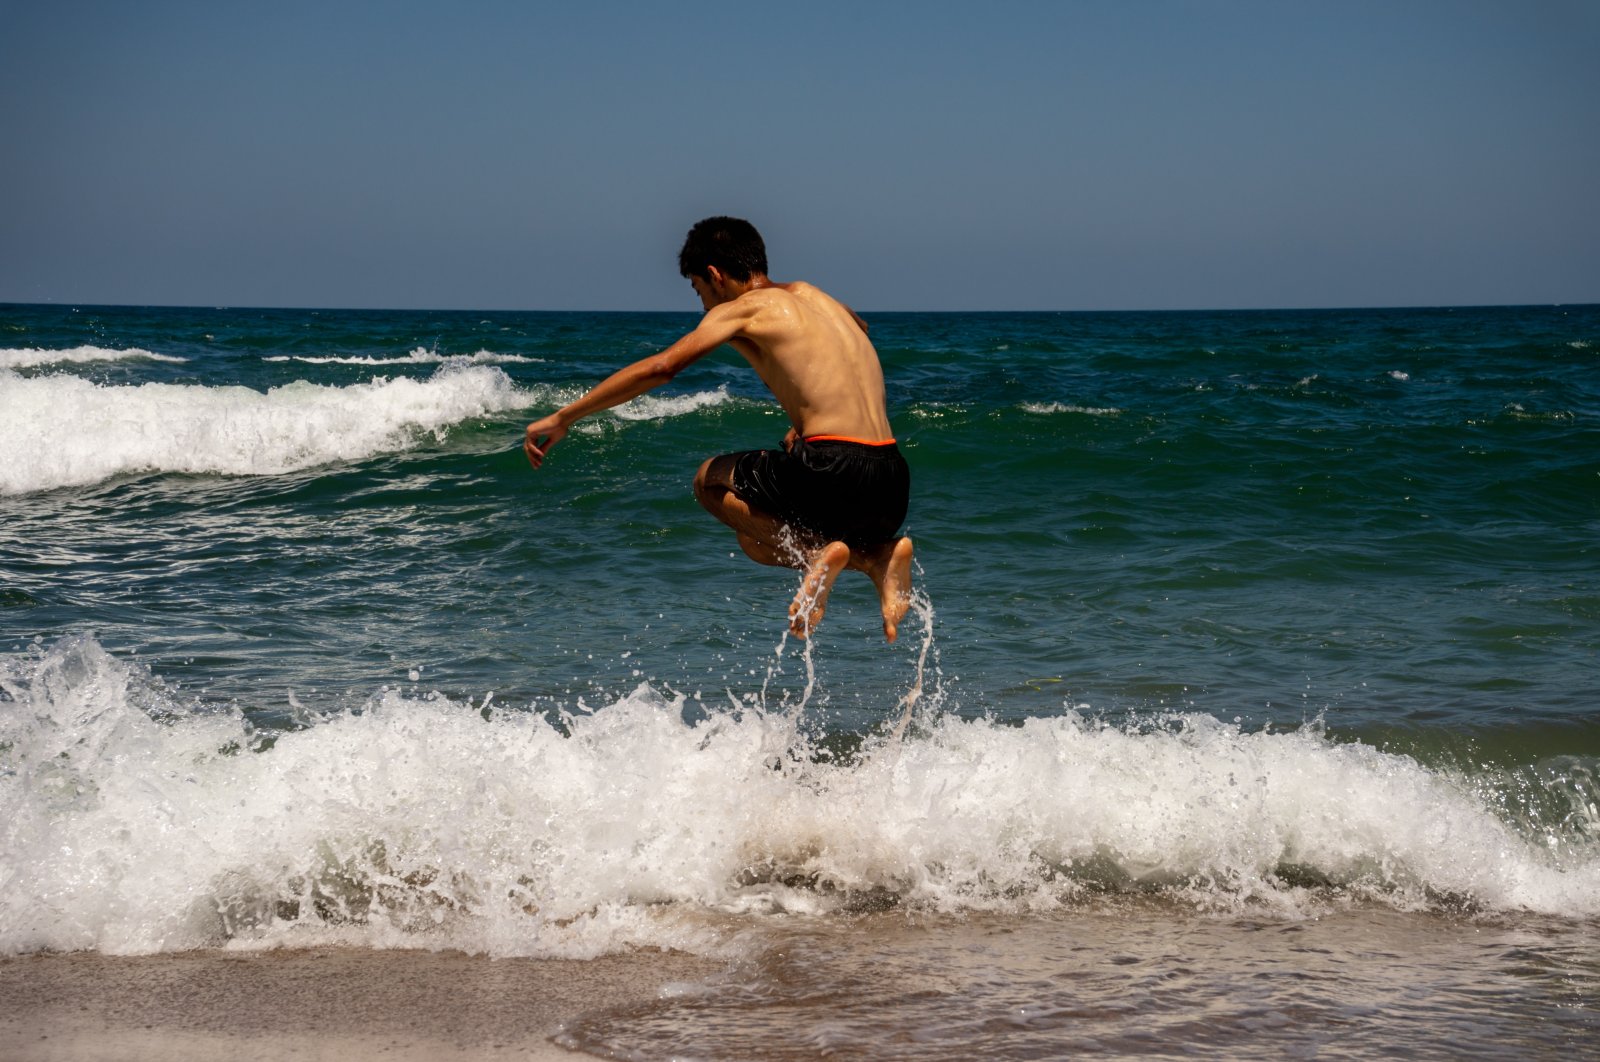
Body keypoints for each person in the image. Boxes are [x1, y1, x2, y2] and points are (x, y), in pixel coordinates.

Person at [524, 216, 914, 641]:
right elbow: (859, 331)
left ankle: (820, 555)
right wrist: (802, 426)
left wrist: (564, 416)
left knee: (708, 482)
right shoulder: (817, 297)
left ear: (714, 275)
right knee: (754, 542)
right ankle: (877, 558)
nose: (705, 306)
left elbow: (663, 367)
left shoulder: (742, 308)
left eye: (699, 291)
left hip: (832, 467)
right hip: (891, 481)